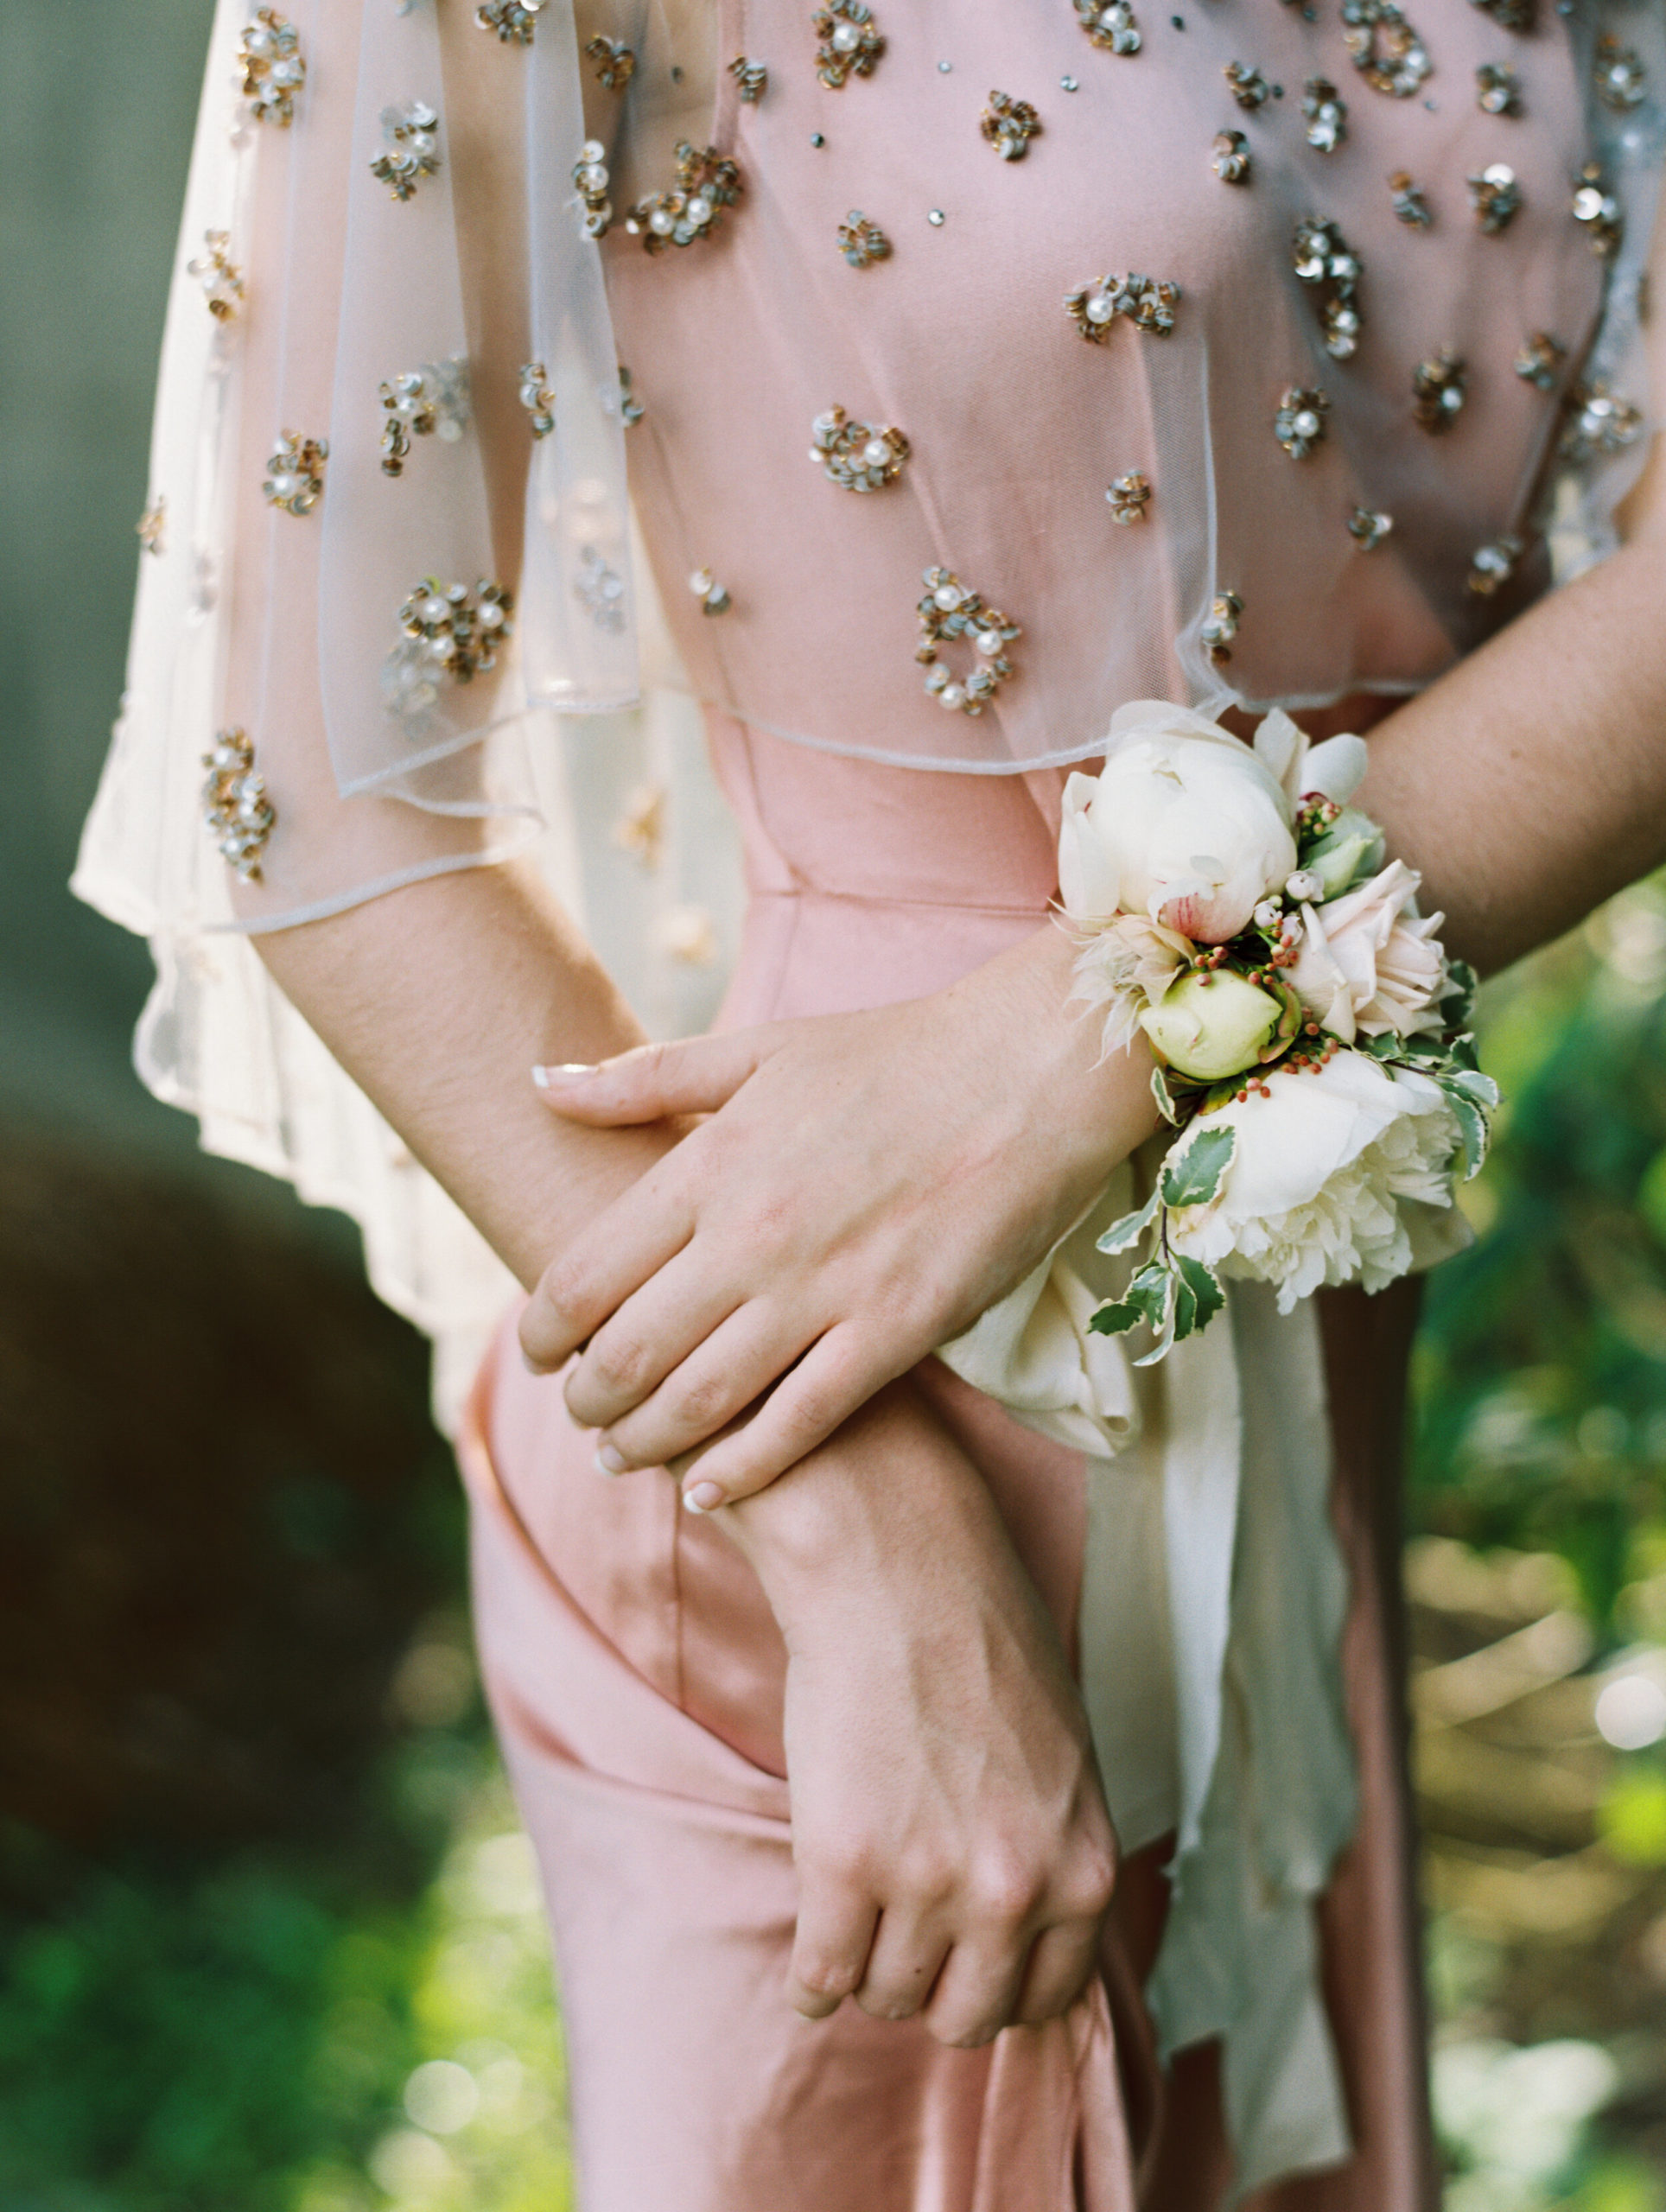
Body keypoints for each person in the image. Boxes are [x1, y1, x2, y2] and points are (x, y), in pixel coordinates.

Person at [76, 0, 1666, 2202]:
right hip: (822, 1387)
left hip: (1299, 1295)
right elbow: (312, 802)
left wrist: (1095, 1035)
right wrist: (866, 1542)